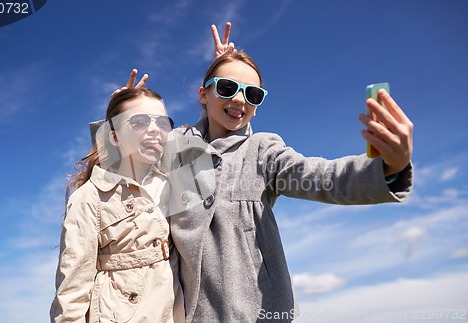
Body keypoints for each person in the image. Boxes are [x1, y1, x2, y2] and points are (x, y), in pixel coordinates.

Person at [101, 23, 413, 322]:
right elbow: (116, 172)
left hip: (259, 313)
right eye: (227, 88)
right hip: (186, 314)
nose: (240, 99)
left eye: (252, 94)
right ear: (202, 95)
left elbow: (319, 176)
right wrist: (119, 116)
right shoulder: (175, 148)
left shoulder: (263, 152)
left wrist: (389, 167)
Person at [51, 88, 184, 322]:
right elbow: (71, 293)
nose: (154, 129)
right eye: (140, 121)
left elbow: (215, 138)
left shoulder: (172, 181)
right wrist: (118, 110)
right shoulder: (90, 197)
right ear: (113, 137)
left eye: (163, 122)